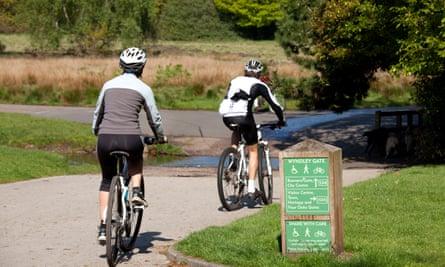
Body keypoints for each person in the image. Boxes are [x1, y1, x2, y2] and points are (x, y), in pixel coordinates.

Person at [92, 47, 166, 243]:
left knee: (107, 180)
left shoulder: (108, 85)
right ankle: (135, 192)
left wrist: (95, 130)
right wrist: (160, 136)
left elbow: (98, 111)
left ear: (120, 65)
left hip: (105, 138)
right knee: (136, 164)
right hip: (130, 137)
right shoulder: (144, 89)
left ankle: (102, 227)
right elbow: (154, 118)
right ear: (142, 67)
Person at [218, 59, 285, 201]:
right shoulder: (260, 85)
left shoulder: (234, 80)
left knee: (236, 130)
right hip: (244, 117)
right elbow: (275, 105)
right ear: (259, 73)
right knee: (253, 149)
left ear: (245, 71)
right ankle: (251, 187)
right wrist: (281, 120)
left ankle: (233, 157)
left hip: (227, 117)